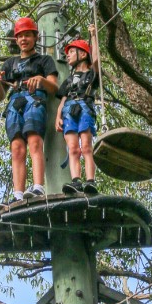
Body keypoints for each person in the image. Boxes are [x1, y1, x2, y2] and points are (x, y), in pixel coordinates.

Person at [0, 17, 59, 207]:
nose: (23, 39)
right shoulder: (10, 64)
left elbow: (54, 87)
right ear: (16, 39)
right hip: (15, 103)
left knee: (34, 141)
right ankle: (18, 194)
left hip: (35, 100)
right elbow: (0, 96)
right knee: (16, 148)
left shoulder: (44, 60)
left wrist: (41, 80)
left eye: (27, 35)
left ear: (35, 37)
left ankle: (38, 186)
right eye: (20, 36)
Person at [55, 26, 100, 195]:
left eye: (72, 52)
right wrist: (58, 116)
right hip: (69, 110)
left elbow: (96, 60)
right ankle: (76, 181)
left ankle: (90, 180)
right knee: (73, 148)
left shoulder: (92, 75)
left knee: (86, 146)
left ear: (82, 54)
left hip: (84, 108)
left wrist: (93, 36)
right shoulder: (68, 80)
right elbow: (63, 99)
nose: (68, 55)